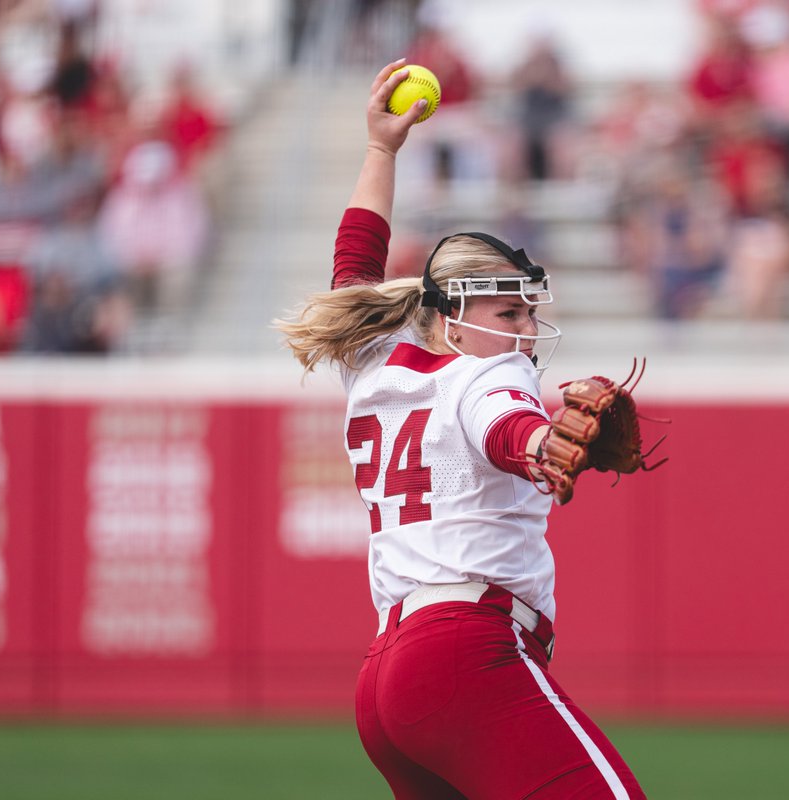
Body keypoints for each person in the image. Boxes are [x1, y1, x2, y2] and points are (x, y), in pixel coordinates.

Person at [277, 61, 646, 799]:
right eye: (507, 313)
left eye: (528, 313)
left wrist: (381, 151)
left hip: (386, 681)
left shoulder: (378, 365)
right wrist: (543, 447)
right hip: (463, 654)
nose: (526, 329)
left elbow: (354, 267)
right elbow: (506, 429)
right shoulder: (488, 374)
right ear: (452, 318)